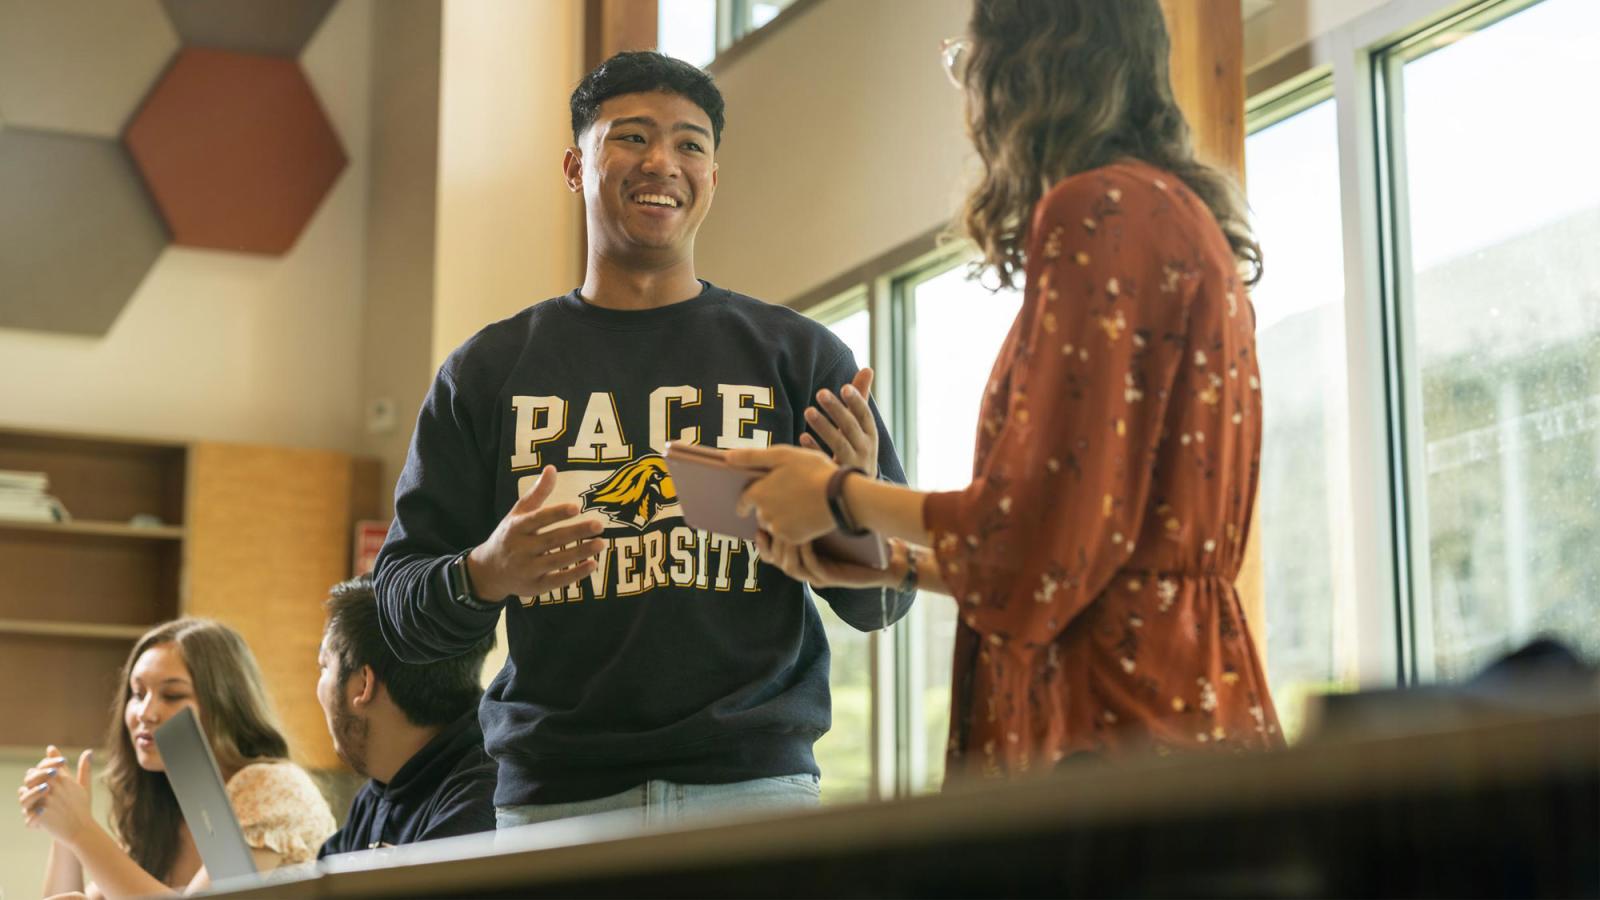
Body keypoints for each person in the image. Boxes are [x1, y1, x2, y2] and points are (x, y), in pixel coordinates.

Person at [731, 0, 1284, 779]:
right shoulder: (1180, 218)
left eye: (969, 64)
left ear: (1021, 69)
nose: (968, 104)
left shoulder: (1096, 210)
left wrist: (839, 496)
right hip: (1184, 695)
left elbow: (1041, 545)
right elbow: (1086, 553)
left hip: (1109, 722)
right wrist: (893, 564)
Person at [373, 51, 916, 828]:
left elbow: (884, 602)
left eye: (690, 144)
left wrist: (855, 509)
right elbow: (398, 608)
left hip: (752, 794)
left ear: (714, 177)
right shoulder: (488, 372)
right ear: (576, 165)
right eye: (630, 137)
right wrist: (486, 571)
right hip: (555, 803)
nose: (662, 161)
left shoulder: (799, 361)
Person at [17, 619, 334, 898]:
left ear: (225, 706)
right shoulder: (161, 807)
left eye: (172, 696)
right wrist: (64, 829)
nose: (146, 713)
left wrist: (81, 829)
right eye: (138, 694)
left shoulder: (272, 787)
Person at [316, 576, 497, 856]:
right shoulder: (379, 790)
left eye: (324, 666)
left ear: (364, 684)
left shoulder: (482, 798)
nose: (318, 686)